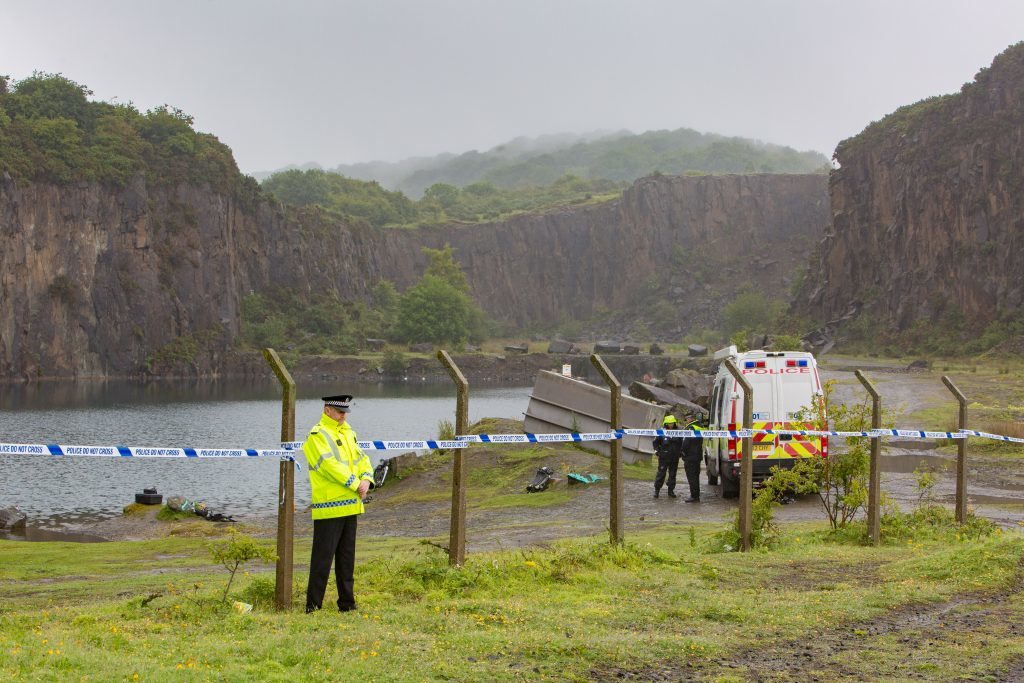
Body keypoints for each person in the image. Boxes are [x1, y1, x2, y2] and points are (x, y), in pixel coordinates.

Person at [303, 394, 375, 613]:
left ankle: (347, 604)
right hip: (329, 506)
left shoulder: (349, 432)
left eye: (345, 412)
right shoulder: (317, 435)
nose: (344, 415)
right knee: (322, 561)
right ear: (327, 411)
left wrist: (366, 479)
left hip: (351, 505)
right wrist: (356, 484)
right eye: (340, 412)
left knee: (346, 560)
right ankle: (313, 607)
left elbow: (363, 459)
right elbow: (329, 466)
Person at [653, 414, 683, 498]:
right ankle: (657, 491)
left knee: (672, 474)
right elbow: (655, 442)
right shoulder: (661, 431)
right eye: (669, 423)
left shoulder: (679, 431)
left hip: (674, 457)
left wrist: (681, 452)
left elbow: (682, 443)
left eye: (672, 423)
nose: (671, 425)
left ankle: (671, 491)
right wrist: (657, 451)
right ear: (666, 423)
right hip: (663, 457)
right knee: (661, 474)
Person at [681, 417, 705, 503]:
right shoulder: (699, 426)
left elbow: (686, 442)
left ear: (690, 419)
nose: (686, 420)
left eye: (687, 419)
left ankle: (694, 496)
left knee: (691, 477)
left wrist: (682, 451)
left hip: (690, 456)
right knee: (695, 476)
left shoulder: (691, 428)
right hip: (697, 456)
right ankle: (696, 495)